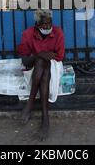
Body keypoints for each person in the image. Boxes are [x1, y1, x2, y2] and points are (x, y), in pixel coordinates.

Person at [17, 9, 65, 141]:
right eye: (43, 25)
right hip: (34, 67)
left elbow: (59, 56)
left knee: (44, 63)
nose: (47, 27)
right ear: (37, 25)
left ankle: (30, 103)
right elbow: (25, 60)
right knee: (40, 61)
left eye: (49, 24)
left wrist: (42, 56)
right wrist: (40, 55)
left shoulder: (58, 32)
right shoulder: (27, 34)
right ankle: (45, 118)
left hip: (53, 66)